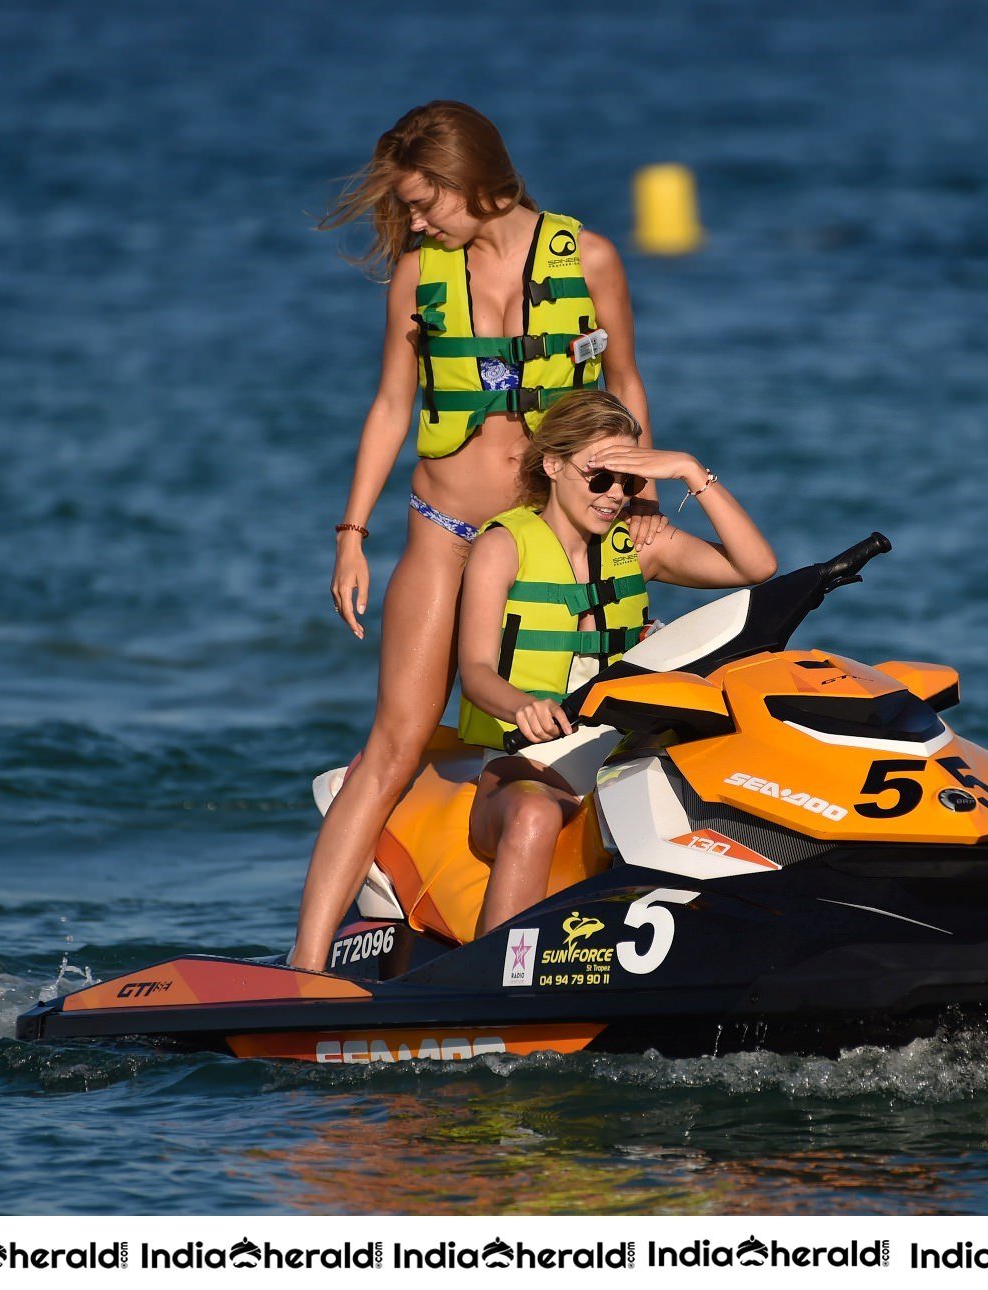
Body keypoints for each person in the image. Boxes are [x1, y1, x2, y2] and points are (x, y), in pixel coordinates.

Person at [292, 102, 662, 970]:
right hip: (445, 527)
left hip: (543, 535)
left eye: (427, 202)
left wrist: (633, 498)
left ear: (473, 181)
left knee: (600, 723)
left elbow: (627, 387)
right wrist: (352, 532)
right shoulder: (419, 275)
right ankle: (303, 969)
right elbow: (392, 404)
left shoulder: (591, 258)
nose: (415, 221)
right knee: (395, 740)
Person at [458, 390, 776, 934]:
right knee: (534, 816)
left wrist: (688, 471)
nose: (613, 495)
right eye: (600, 477)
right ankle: (491, 984)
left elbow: (756, 566)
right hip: (524, 763)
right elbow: (476, 672)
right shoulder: (503, 546)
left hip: (624, 758)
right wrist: (524, 706)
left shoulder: (638, 546)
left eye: (628, 481)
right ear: (553, 465)